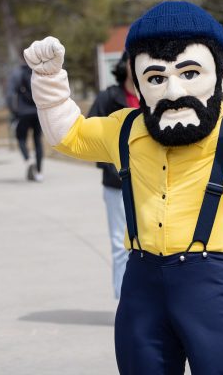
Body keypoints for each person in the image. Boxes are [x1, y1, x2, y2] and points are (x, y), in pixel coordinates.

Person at [23, 1, 223, 374]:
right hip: (141, 284)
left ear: (220, 77)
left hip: (209, 282)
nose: (173, 90)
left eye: (190, 72)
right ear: (139, 83)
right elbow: (68, 135)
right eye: (157, 78)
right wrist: (48, 82)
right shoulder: (125, 128)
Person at [87, 52, 139, 299]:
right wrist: (113, 169)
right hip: (117, 185)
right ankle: (124, 303)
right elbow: (89, 134)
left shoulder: (158, 93)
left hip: (153, 185)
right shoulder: (109, 97)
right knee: (121, 245)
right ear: (125, 64)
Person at [6, 62, 43, 182]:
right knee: (37, 140)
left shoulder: (17, 73)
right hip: (38, 111)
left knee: (21, 138)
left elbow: (10, 94)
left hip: (23, 113)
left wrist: (13, 111)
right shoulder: (38, 72)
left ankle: (28, 159)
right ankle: (39, 171)